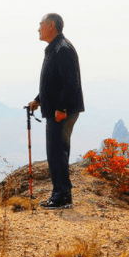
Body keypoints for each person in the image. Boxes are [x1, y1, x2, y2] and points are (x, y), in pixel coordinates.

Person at [28, 13, 85, 209]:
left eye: (40, 25)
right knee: (56, 152)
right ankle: (60, 194)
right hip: (56, 110)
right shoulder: (55, 48)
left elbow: (70, 83)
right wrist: (38, 100)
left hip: (62, 112)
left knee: (57, 152)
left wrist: (62, 108)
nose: (38, 29)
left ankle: (61, 197)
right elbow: (53, 82)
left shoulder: (62, 49)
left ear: (51, 26)